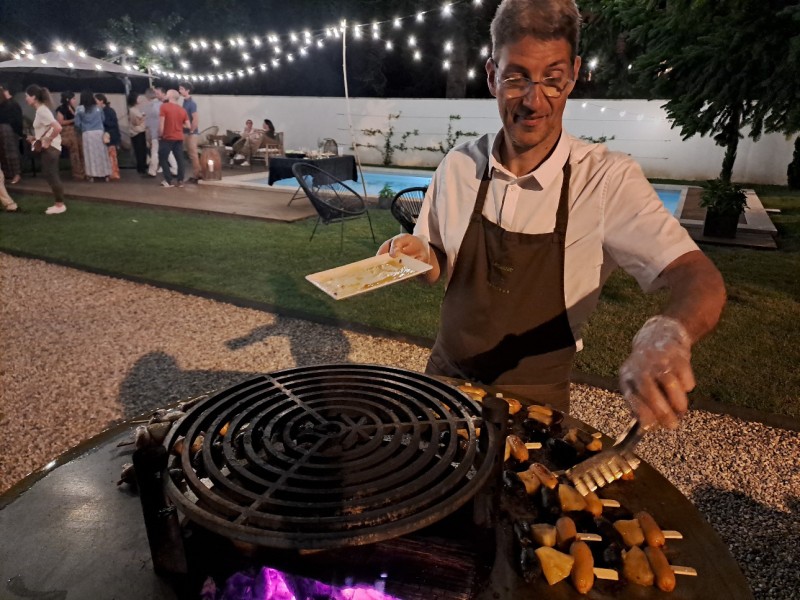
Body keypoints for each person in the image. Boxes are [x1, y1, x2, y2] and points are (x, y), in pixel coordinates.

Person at [378, 0, 726, 430]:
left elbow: (700, 278)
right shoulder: (460, 165)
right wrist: (415, 251)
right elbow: (437, 264)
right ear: (492, 76)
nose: (533, 100)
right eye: (516, 77)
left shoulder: (605, 179)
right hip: (444, 385)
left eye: (552, 80)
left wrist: (669, 334)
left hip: (536, 407)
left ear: (574, 74)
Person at [25, 85, 66, 214]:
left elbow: (58, 127)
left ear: (33, 97)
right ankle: (58, 203)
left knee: (51, 175)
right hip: (50, 147)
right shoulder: (41, 110)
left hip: (51, 148)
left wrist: (48, 140)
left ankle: (59, 205)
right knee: (49, 174)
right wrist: (35, 138)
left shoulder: (42, 110)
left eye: (27, 96)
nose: (26, 99)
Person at [74, 89, 111, 181]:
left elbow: (77, 123)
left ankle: (92, 174)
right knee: (101, 153)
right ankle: (105, 174)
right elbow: (103, 119)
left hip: (87, 133)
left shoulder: (79, 109)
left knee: (89, 154)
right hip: (99, 132)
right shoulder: (98, 108)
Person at [158, 89, 190, 188]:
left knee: (162, 158)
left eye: (167, 94)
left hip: (167, 137)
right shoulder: (182, 110)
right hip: (178, 137)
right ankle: (180, 181)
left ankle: (168, 180)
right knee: (180, 159)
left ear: (170, 96)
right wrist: (179, 125)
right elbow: (188, 126)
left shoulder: (164, 107)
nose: (165, 95)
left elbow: (161, 124)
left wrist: (160, 134)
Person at [143, 87, 177, 178]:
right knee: (168, 152)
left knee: (155, 152)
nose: (157, 95)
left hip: (157, 132)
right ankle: (175, 169)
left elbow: (148, 121)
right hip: (164, 132)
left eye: (158, 93)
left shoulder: (151, 106)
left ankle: (152, 171)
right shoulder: (162, 105)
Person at [55, 91, 86, 181]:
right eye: (73, 98)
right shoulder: (61, 109)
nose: (75, 100)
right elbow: (60, 122)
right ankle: (77, 173)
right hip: (68, 132)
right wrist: (73, 120)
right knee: (74, 152)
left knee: (81, 151)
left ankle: (83, 171)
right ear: (68, 99)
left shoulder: (73, 108)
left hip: (76, 132)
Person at [178, 81, 200, 182]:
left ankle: (197, 174)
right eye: (180, 89)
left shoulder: (192, 103)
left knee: (193, 154)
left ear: (188, 90)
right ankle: (195, 174)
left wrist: (191, 130)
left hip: (191, 132)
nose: (180, 90)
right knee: (189, 153)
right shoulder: (185, 102)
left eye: (182, 89)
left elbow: (195, 118)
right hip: (185, 131)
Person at [0, 84, 23, 185]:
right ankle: (8, 174)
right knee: (4, 153)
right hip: (4, 129)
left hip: (10, 130)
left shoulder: (13, 104)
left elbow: (17, 120)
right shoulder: (3, 103)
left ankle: (16, 174)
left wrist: (18, 132)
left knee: (11, 153)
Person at [95, 93, 121, 180]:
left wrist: (102, 122)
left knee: (111, 155)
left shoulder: (108, 111)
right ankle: (112, 173)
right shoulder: (107, 110)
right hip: (109, 135)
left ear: (101, 101)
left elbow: (113, 123)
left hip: (110, 136)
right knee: (110, 155)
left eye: (96, 101)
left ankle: (114, 173)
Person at [127, 91, 148, 175]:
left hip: (141, 131)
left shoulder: (136, 109)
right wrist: (143, 118)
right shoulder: (132, 110)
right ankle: (141, 168)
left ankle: (142, 166)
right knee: (139, 151)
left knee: (143, 150)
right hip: (136, 132)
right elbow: (136, 123)